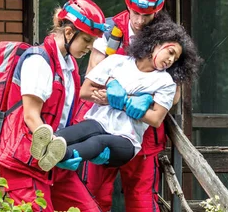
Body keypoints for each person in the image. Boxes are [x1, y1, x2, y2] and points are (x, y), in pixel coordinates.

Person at [0, 0, 107, 212]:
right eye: (86, 39)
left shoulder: (70, 67)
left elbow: (66, 115)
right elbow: (32, 116)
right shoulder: (38, 61)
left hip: (54, 163)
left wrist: (74, 149)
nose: (88, 47)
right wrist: (54, 147)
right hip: (24, 160)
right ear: (68, 30)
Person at [79, 0, 180, 212]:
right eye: (135, 11)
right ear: (128, 4)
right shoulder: (111, 29)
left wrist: (142, 106)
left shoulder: (168, 38)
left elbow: (175, 94)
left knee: (142, 201)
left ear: (158, 10)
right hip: (105, 127)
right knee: (95, 190)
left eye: (146, 14)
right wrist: (114, 96)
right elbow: (91, 80)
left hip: (145, 136)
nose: (138, 19)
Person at [28, 18, 197, 177]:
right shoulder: (116, 62)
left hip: (126, 139)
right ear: (156, 42)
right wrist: (111, 86)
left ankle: (60, 154)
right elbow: (85, 91)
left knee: (98, 141)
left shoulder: (166, 82)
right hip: (99, 121)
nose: (170, 59)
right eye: (170, 52)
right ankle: (46, 144)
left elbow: (155, 118)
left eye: (175, 59)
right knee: (80, 130)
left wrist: (120, 102)